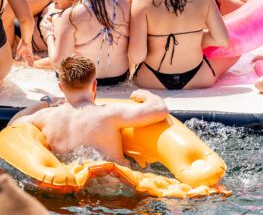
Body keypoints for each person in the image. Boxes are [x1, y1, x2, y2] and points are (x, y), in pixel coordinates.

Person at [9, 55, 169, 166]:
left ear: (60, 87)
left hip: (68, 185)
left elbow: (13, 125)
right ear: (94, 85)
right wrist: (146, 95)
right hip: (113, 189)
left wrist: (44, 103)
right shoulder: (110, 113)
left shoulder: (47, 117)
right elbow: (159, 109)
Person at [48, 0, 131, 85]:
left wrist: (50, 35)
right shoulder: (125, 3)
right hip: (119, 76)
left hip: (86, 81)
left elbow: (58, 63)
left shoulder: (72, 14)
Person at [6, 0, 79, 55]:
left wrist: (21, 62)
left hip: (14, 44)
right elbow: (20, 1)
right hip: (13, 24)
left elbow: (60, 57)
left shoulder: (67, 23)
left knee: (9, 5)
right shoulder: (56, 1)